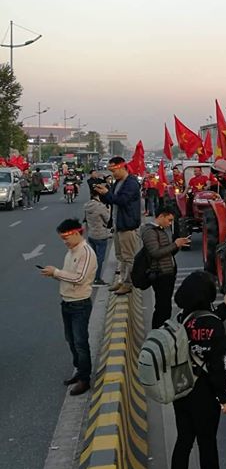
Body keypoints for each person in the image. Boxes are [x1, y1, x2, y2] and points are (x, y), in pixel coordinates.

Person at [168, 271, 226, 469]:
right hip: (204, 394)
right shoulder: (214, 326)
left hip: (180, 388)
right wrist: (224, 398)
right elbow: (220, 367)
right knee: (207, 441)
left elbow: (201, 324)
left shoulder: (181, 319)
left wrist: (224, 309)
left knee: (184, 439)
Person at [40, 218, 97, 395]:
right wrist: (54, 274)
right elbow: (69, 275)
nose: (64, 242)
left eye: (66, 238)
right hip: (67, 302)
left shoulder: (86, 252)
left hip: (80, 304)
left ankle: (85, 379)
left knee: (80, 342)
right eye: (62, 238)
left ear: (76, 233)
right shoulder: (71, 251)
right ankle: (79, 371)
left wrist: (56, 272)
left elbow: (79, 278)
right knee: (71, 340)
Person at [95, 156, 142, 295]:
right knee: (120, 256)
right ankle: (121, 280)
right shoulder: (118, 182)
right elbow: (112, 200)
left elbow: (122, 200)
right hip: (118, 224)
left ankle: (129, 283)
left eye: (114, 170)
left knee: (128, 257)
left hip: (128, 226)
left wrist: (107, 193)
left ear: (121, 167)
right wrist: (102, 193)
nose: (112, 174)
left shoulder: (131, 183)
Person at [141, 204, 191, 328]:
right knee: (162, 307)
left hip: (167, 273)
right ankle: (158, 331)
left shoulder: (161, 231)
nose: (170, 223)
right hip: (160, 275)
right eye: (169, 220)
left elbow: (167, 252)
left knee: (165, 306)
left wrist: (178, 245)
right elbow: (155, 253)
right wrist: (175, 244)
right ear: (161, 216)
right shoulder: (150, 232)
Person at [84, 184, 112, 285]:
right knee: (100, 259)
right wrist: (108, 210)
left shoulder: (87, 205)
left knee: (93, 258)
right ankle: (97, 278)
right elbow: (108, 220)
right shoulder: (100, 206)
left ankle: (91, 277)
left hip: (91, 234)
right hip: (100, 235)